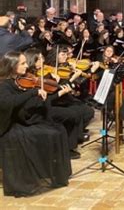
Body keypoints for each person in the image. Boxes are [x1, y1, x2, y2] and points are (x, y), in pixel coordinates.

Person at [0, 51, 71, 196]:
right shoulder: (4, 85)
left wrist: (40, 97)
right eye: (23, 63)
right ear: (12, 66)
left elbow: (24, 104)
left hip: (22, 121)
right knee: (49, 134)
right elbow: (8, 104)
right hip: (9, 126)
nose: (27, 65)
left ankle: (52, 172)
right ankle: (37, 175)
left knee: (58, 129)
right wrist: (33, 93)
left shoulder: (18, 80)